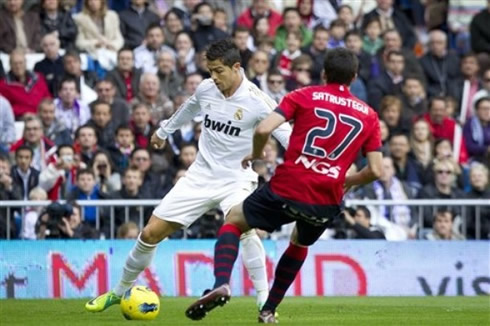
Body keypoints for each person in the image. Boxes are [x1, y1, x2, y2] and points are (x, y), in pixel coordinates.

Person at [85, 39, 292, 314]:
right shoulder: (207, 89)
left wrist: (313, 165)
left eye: (219, 71)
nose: (213, 77)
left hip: (236, 180)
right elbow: (190, 108)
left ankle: (265, 302)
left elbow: (287, 135)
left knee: (244, 228)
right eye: (210, 71)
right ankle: (118, 292)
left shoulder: (258, 101)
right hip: (199, 176)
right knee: (150, 233)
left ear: (236, 67)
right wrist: (164, 131)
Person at [185, 47, 382, 323]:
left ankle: (221, 282)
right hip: (326, 199)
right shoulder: (369, 116)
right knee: (300, 242)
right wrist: (345, 180)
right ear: (354, 77)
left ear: (324, 73)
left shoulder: (304, 96)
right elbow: (376, 170)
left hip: (289, 185)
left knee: (234, 220)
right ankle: (268, 310)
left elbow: (265, 128)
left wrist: (255, 154)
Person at [0, 49, 52, 119]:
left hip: (43, 117)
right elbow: (3, 108)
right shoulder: (3, 85)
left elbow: (47, 98)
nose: (18, 67)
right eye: (15, 63)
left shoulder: (38, 78)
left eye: (20, 63)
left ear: (25, 63)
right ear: (10, 65)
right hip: (19, 119)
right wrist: (22, 113)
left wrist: (43, 111)